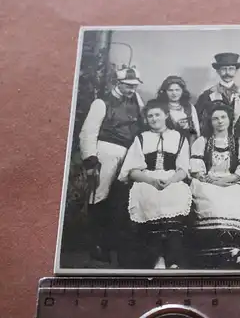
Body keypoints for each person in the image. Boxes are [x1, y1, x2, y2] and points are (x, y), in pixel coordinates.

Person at [79, 67, 145, 262]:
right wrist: (91, 160)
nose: (131, 89)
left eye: (134, 86)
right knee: (99, 196)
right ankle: (96, 246)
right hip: (106, 150)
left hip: (128, 153)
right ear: (117, 83)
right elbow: (88, 132)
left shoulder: (136, 101)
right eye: (127, 85)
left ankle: (111, 245)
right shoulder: (102, 102)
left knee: (119, 199)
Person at [117, 99, 192, 269]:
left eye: (157, 114)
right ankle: (157, 258)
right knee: (148, 195)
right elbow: (133, 171)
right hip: (147, 179)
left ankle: (172, 258)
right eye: (150, 116)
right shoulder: (141, 138)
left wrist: (170, 181)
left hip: (172, 179)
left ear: (166, 115)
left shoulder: (179, 137)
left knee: (175, 194)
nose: (154, 118)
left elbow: (183, 170)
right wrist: (152, 181)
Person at [189, 102, 240, 268]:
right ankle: (213, 251)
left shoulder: (238, 142)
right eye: (215, 118)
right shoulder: (202, 141)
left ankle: (234, 248)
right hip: (207, 181)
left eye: (223, 117)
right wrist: (209, 179)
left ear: (230, 120)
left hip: (231, 180)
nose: (220, 121)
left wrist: (227, 180)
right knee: (212, 201)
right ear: (210, 122)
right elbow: (196, 168)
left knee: (239, 200)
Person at [195, 52, 240, 141]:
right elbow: (198, 122)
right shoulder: (207, 96)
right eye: (223, 69)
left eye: (231, 69)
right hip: (215, 143)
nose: (227, 73)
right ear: (218, 71)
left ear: (236, 71)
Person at [156, 75, 200, 146]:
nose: (174, 93)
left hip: (186, 146)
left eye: (177, 90)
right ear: (165, 92)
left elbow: (196, 132)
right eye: (170, 90)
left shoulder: (189, 107)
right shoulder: (159, 107)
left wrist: (189, 127)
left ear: (182, 91)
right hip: (165, 145)